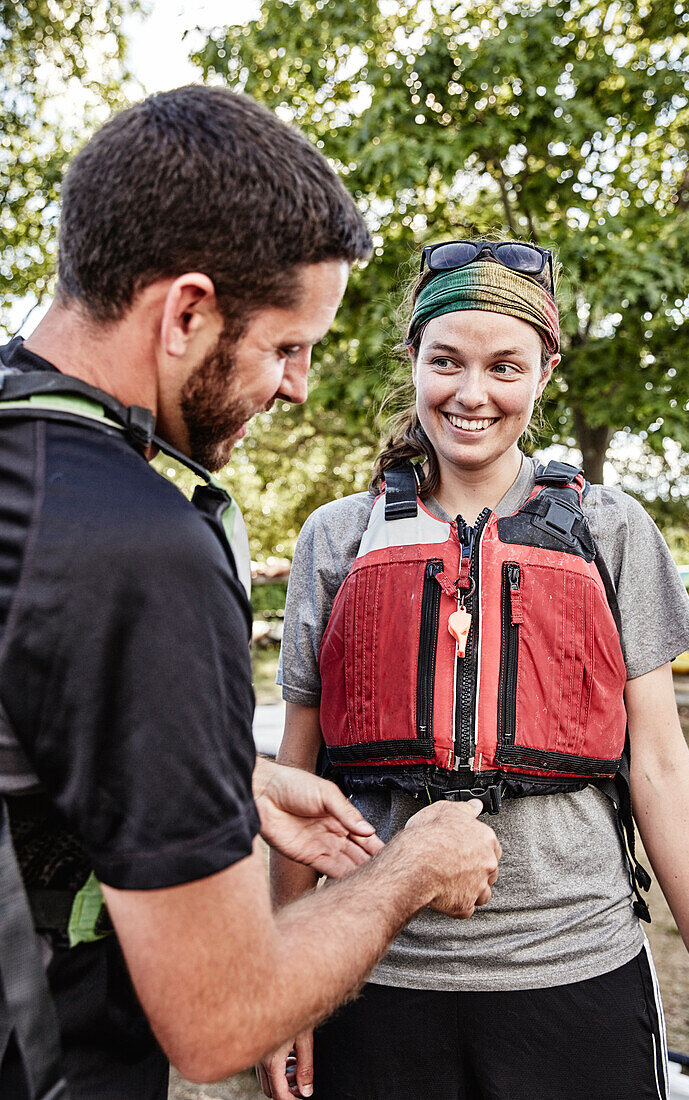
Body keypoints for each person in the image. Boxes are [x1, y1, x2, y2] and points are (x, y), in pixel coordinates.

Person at [0, 90, 505, 1100]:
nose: (299, 387)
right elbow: (218, 1016)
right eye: (285, 345)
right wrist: (410, 865)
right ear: (186, 311)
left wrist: (238, 771)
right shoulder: (142, 547)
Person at [264, 238, 689, 1100]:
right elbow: (300, 765)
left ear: (545, 372)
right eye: (445, 361)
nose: (471, 394)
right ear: (411, 360)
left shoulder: (612, 529)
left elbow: (663, 769)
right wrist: (285, 978)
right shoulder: (335, 538)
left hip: (575, 971)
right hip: (373, 977)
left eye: (504, 367)